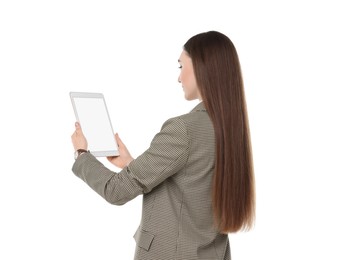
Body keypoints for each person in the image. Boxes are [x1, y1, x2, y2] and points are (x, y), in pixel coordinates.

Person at [71, 30, 255, 260]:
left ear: (201, 67)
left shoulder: (183, 129)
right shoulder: (230, 128)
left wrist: (81, 154)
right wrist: (131, 164)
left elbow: (116, 191)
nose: (179, 78)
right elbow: (190, 183)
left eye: (181, 66)